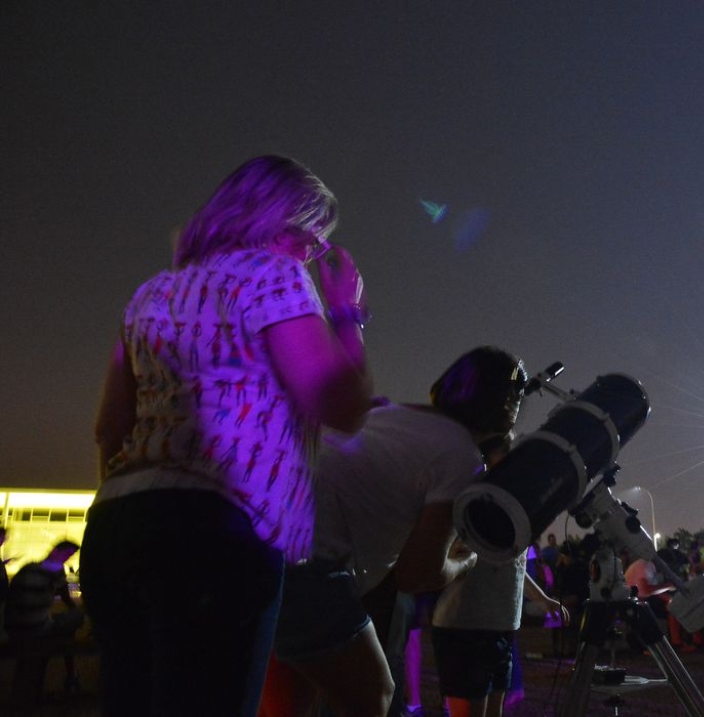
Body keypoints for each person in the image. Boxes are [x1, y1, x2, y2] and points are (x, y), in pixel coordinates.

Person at [83, 155, 373, 717]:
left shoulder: (152, 293)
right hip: (218, 534)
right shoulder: (274, 275)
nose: (311, 258)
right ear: (278, 224)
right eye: (311, 241)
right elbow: (341, 405)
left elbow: (109, 428)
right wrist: (346, 314)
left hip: (117, 526)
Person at [262, 346, 529, 717]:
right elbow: (417, 573)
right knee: (375, 696)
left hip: (263, 537)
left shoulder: (390, 413)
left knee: (292, 703)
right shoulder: (461, 456)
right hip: (308, 563)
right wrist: (465, 561)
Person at [431, 431, 566, 717]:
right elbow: (443, 552)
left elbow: (512, 565)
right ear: (484, 455)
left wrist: (542, 599)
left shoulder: (512, 502)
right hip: (465, 626)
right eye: (506, 449)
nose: (515, 456)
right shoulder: (466, 497)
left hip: (502, 625)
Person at [4, 540, 87, 692]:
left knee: (64, 628)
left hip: (14, 627)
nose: (68, 557)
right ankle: (71, 677)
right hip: (35, 628)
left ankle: (69, 675)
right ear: (56, 552)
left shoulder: (29, 568)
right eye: (68, 554)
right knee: (76, 619)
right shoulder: (55, 572)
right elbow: (67, 600)